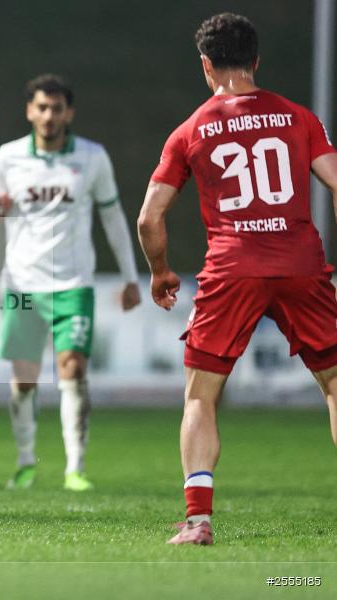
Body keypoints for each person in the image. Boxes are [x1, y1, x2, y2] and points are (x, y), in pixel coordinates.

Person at [137, 13, 337, 546]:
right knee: (335, 383)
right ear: (256, 60)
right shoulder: (298, 117)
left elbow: (149, 218)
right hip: (300, 262)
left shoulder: (190, 130)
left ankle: (198, 521)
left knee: (201, 396)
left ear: (206, 64)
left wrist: (160, 272)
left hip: (232, 268)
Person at [0, 74, 141, 492]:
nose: (48, 116)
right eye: (41, 107)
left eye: (56, 108)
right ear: (30, 111)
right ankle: (26, 461)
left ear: (69, 113)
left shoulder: (92, 157)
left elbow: (112, 215)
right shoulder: (8, 158)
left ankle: (75, 467)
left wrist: (131, 276)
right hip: (22, 283)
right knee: (24, 379)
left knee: (73, 367)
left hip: (73, 283)